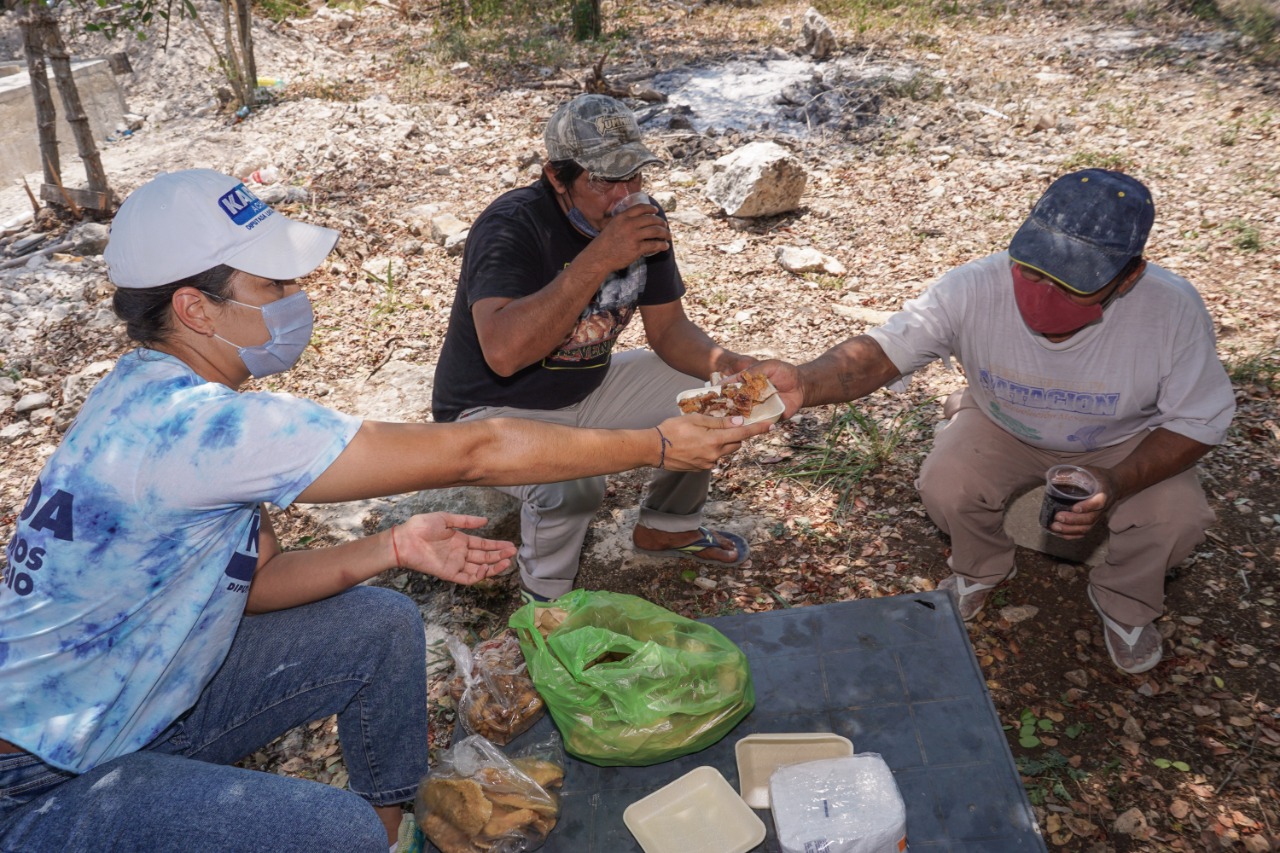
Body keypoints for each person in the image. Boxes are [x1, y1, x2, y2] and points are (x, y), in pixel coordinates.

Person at [0, 170, 768, 853]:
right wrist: (657, 445)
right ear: (197, 308)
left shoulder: (151, 393)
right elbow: (476, 450)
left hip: (143, 702)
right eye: (273, 286)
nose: (297, 299)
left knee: (377, 623)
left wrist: (393, 546)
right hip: (39, 780)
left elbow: (256, 580)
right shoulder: (204, 429)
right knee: (330, 832)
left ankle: (395, 829)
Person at [755, 169, 1235, 675]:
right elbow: (879, 355)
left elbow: (1196, 420)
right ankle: (980, 569)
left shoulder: (1171, 309)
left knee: (1178, 518)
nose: (1044, 295)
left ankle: (1126, 601)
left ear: (1129, 275)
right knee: (946, 482)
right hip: (1005, 424)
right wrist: (806, 382)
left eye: (1074, 287)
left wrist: (1116, 481)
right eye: (1031, 272)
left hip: (1125, 440)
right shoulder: (973, 287)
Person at [432, 93, 762, 602]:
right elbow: (503, 352)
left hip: (587, 388)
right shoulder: (512, 225)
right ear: (556, 178)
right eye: (605, 179)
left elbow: (670, 333)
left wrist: (738, 366)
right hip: (492, 408)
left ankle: (667, 527)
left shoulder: (641, 218)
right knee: (573, 483)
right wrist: (599, 258)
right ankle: (546, 606)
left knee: (715, 395)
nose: (625, 193)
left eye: (635, 175)